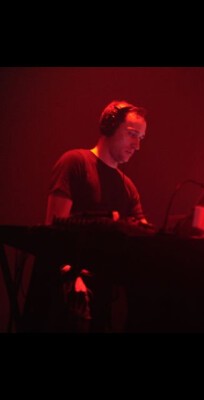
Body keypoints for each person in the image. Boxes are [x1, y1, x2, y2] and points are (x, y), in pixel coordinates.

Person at [22, 100, 152, 332]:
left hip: (101, 294)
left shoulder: (129, 188)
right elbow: (53, 233)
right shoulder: (75, 162)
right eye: (132, 134)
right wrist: (71, 276)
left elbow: (143, 239)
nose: (137, 145)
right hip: (63, 288)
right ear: (109, 126)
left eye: (141, 138)